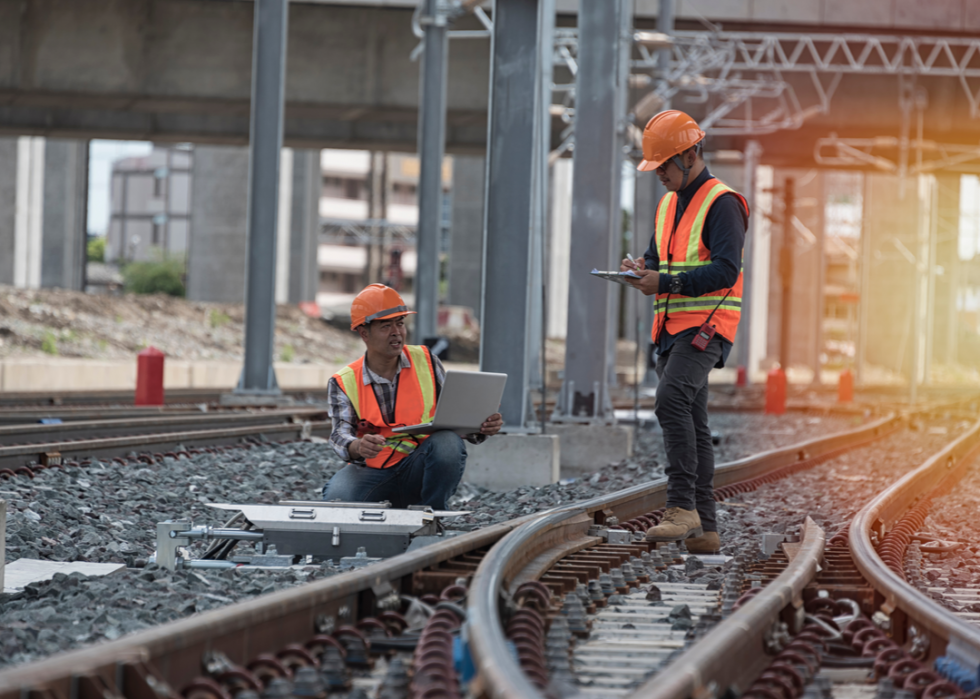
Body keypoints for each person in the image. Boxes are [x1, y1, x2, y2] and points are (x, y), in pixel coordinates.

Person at [621, 110, 749, 554]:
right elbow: (657, 258)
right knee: (693, 419)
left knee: (671, 399)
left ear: (691, 153)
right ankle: (706, 528)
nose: (658, 174)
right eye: (654, 167)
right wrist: (641, 270)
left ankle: (681, 508)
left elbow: (726, 269)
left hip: (707, 326)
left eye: (663, 165)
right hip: (670, 328)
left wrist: (667, 283)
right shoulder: (668, 204)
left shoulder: (723, 203)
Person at [322, 284, 503, 509]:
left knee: (447, 443)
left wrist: (480, 427)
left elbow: (455, 417)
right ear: (364, 333)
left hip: (420, 466)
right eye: (386, 326)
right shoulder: (344, 381)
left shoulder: (427, 361)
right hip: (373, 471)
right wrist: (357, 446)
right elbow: (339, 434)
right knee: (336, 501)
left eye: (400, 324)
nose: (396, 332)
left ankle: (433, 514)